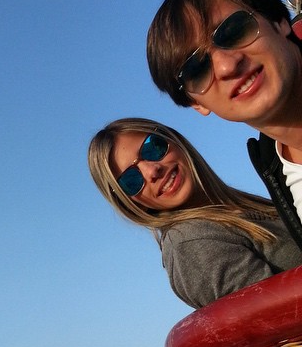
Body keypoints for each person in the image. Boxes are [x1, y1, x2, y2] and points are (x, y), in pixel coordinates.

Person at [146, 0, 302, 249]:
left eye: (235, 30)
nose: (227, 66)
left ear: (278, 21)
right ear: (196, 103)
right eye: (196, 70)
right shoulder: (278, 172)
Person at [88, 117, 302, 309]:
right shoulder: (190, 242)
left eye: (152, 148)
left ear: (172, 138)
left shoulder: (240, 208)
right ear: (129, 202)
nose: (152, 171)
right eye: (131, 181)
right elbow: (279, 318)